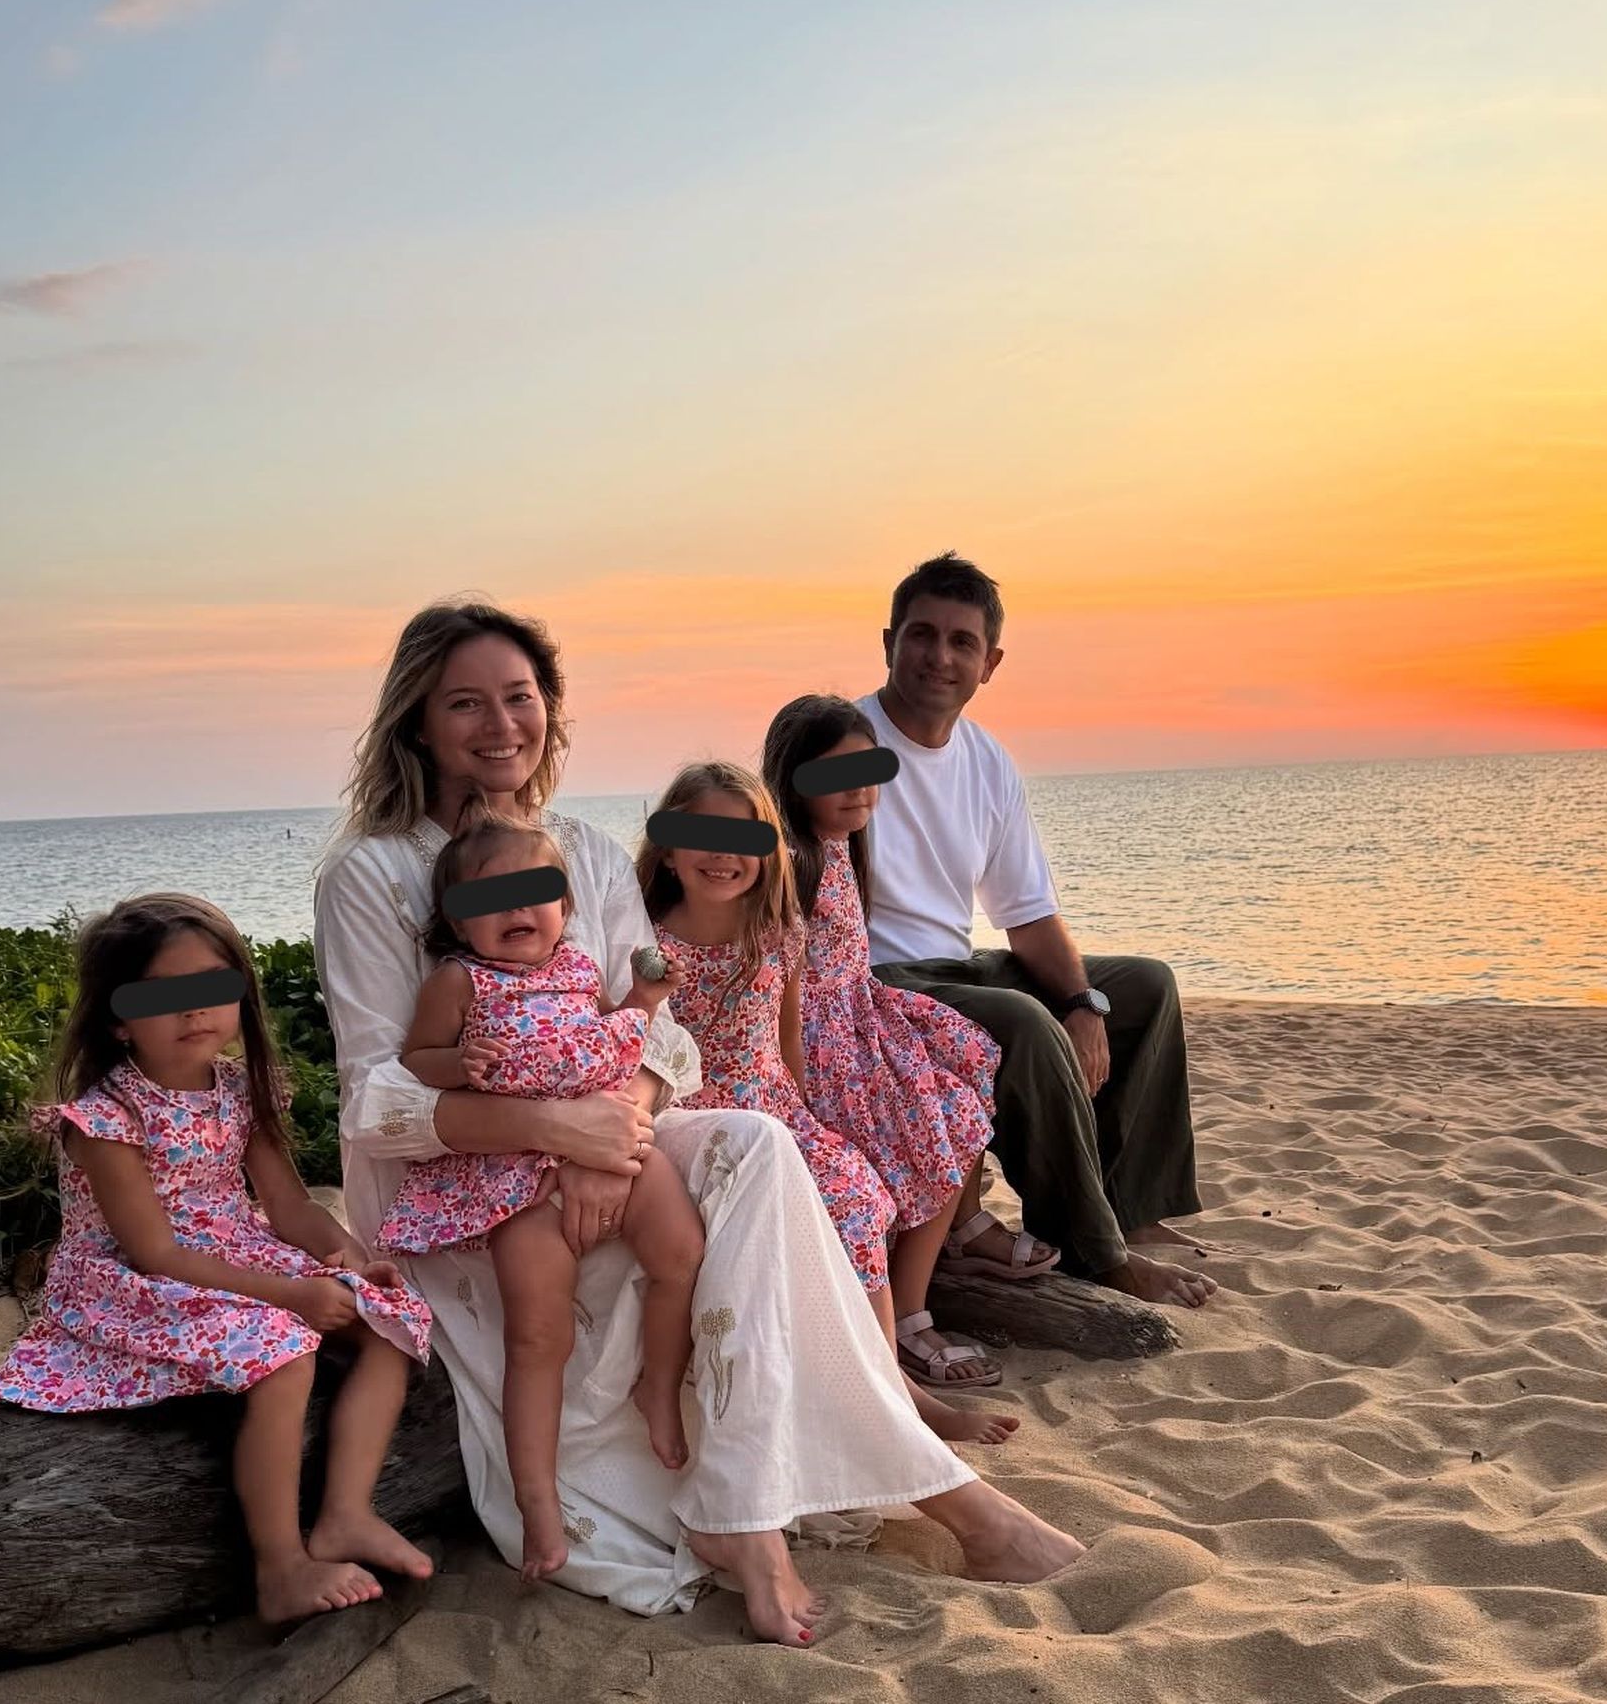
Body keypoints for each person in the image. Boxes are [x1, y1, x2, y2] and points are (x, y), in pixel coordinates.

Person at [311, 598, 1084, 1648]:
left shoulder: (585, 854)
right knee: (723, 1190)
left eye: (520, 698)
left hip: (608, 1126)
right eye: (465, 704)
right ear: (417, 720)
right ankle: (859, 1511)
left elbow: (663, 1037)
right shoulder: (369, 873)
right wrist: (561, 1132)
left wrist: (621, 1130)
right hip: (463, 1174)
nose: (500, 725)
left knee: (762, 1145)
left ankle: (816, 1500)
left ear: (549, 711)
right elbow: (377, 1100)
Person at [0, 893, 436, 1624]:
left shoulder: (238, 1089)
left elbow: (289, 1206)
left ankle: (346, 1512)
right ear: (118, 1018)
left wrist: (350, 1262)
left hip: (235, 1251)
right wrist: (292, 1296)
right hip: (134, 1280)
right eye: (163, 995)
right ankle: (280, 1565)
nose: (194, 1009)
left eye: (212, 986)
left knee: (389, 1319)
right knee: (283, 1351)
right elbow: (154, 1250)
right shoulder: (106, 1119)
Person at [860, 553, 1220, 1311]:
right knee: (1026, 1020)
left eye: (962, 642)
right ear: (889, 641)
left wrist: (1085, 1001)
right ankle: (1097, 1254)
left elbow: (1027, 914)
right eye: (921, 634)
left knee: (1143, 987)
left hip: (956, 967)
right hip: (875, 978)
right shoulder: (845, 745)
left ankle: (1128, 1206)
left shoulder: (987, 762)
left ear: (989, 664)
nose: (938, 656)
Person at [641, 760, 1017, 1445]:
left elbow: (786, 1038)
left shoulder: (777, 929)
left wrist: (809, 1122)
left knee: (856, 1194)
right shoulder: (648, 941)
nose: (723, 855)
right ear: (667, 849)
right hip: (698, 1118)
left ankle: (895, 1390)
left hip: (776, 1106)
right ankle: (895, 1398)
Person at [377, 799, 704, 1579]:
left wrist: (647, 997)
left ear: (564, 906)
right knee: (537, 1336)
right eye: (490, 899)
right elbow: (415, 1060)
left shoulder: (580, 970)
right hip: (510, 1174)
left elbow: (616, 1038)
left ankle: (659, 1388)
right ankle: (538, 1502)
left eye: (534, 893)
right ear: (458, 921)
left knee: (681, 1252)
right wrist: (460, 1064)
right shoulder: (459, 982)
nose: (516, 911)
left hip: (603, 1140)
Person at [762, 693, 1016, 1395]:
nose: (859, 791)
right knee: (935, 1122)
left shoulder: (841, 845)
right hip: (822, 1039)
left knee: (968, 1069)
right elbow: (781, 985)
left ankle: (950, 1242)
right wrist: (794, 1085)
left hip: (860, 1008)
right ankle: (906, 1314)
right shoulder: (790, 861)